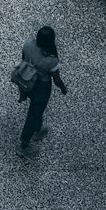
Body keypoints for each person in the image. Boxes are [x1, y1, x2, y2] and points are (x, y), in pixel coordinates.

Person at [17, 25, 67, 154]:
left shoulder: (28, 44)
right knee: (34, 112)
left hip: (27, 80)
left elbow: (23, 58)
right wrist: (63, 88)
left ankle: (38, 129)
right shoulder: (51, 59)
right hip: (41, 87)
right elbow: (56, 79)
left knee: (36, 109)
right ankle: (24, 145)